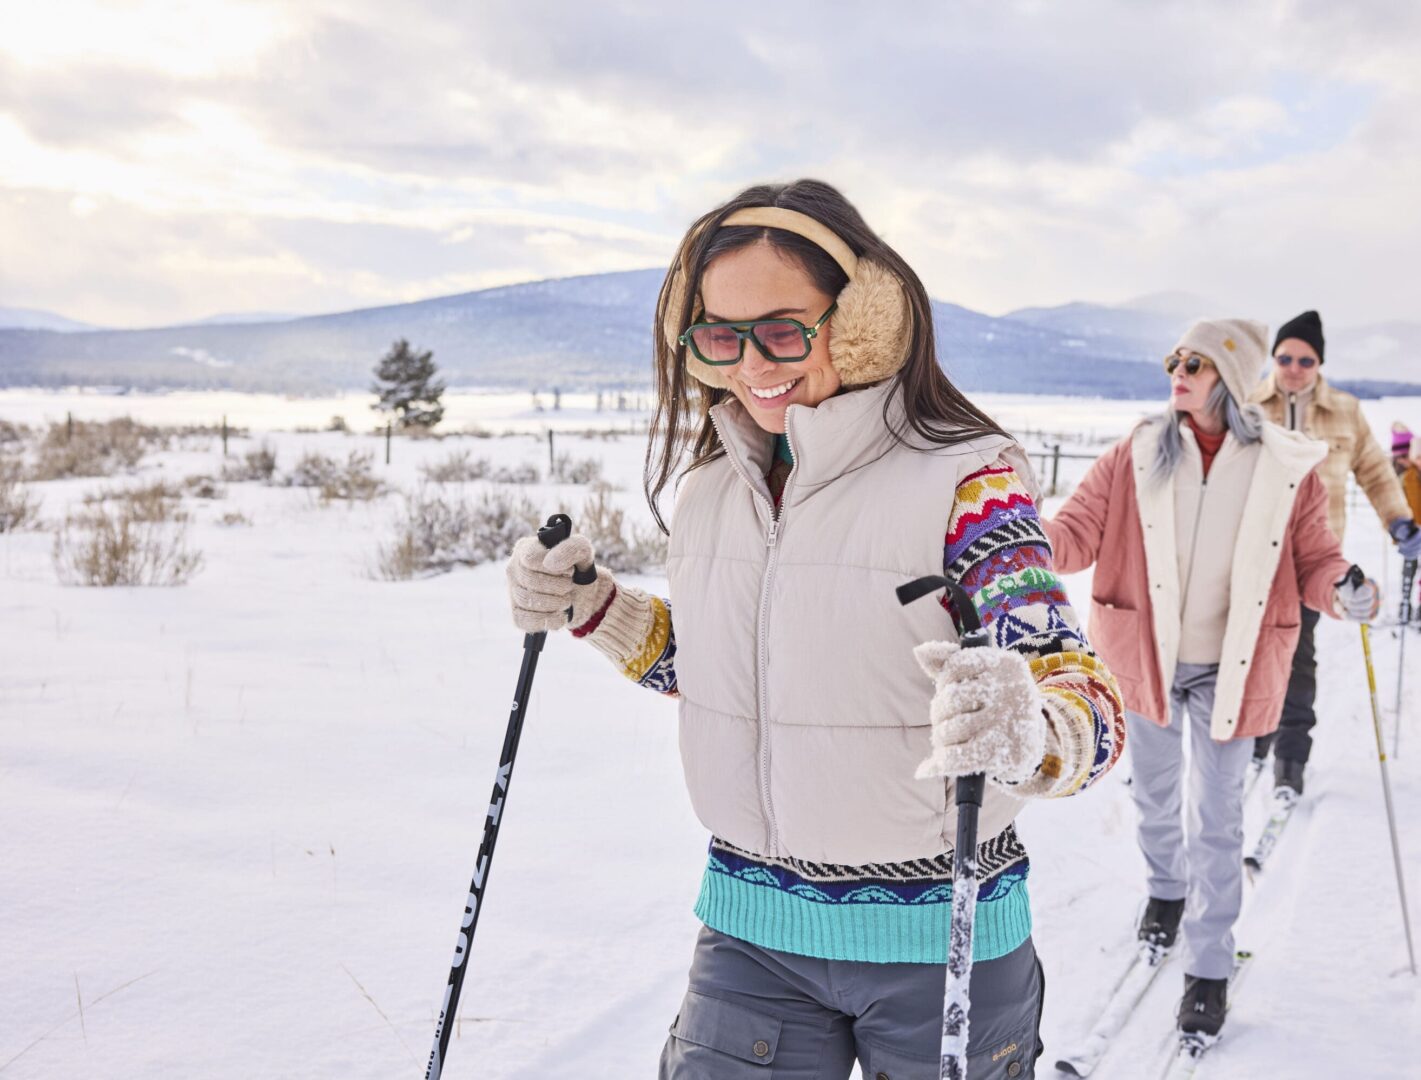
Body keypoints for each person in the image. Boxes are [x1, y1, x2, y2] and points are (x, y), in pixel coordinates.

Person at [504, 179, 1126, 1079]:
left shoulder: (966, 482)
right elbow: (723, 672)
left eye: (782, 329)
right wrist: (593, 608)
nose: (752, 362)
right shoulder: (713, 489)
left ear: (866, 318)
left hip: (943, 937)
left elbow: (1084, 699)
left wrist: (1031, 733)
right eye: (721, 335)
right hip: (750, 934)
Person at [1042, 318, 1379, 1044]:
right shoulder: (1133, 454)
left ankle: (1208, 968)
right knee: (1155, 799)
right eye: (1174, 359)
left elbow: (1314, 558)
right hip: (1147, 659)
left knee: (1219, 819)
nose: (1178, 371)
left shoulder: (1284, 466)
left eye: (1194, 363)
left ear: (1227, 377)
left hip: (1237, 665)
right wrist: (1017, 534)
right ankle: (1166, 890)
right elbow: (1072, 534)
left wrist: (1343, 588)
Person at [1248, 310, 1421, 794]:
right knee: (1248, 657)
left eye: (1305, 360)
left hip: (1313, 564)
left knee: (1298, 659)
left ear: (1319, 363)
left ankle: (1291, 758)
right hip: (1251, 560)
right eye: (1285, 358)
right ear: (1274, 359)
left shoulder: (1345, 410)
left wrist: (1399, 520)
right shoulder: (1247, 405)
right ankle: (1255, 740)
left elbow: (1375, 472)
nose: (1294, 368)